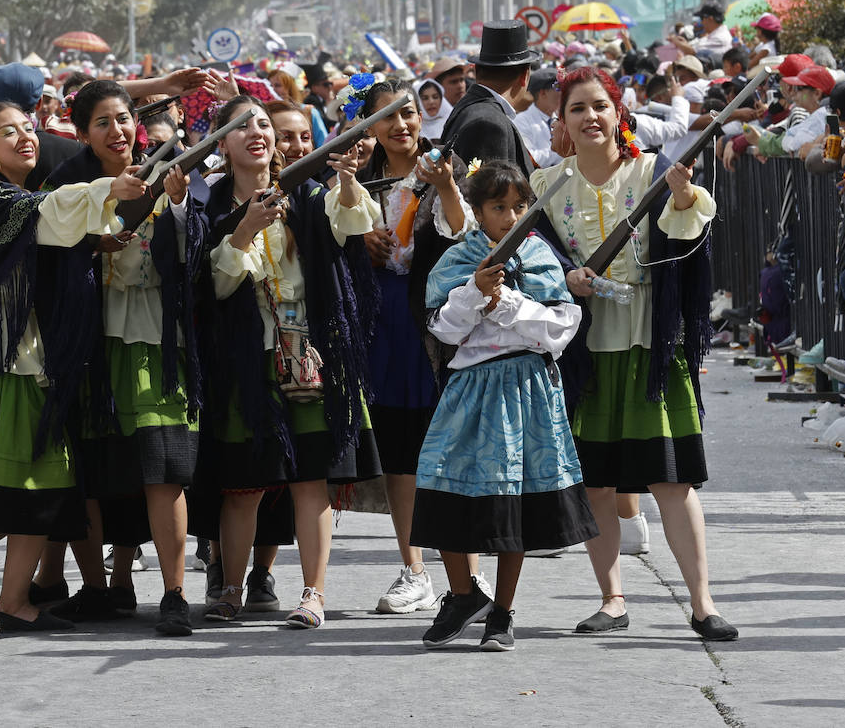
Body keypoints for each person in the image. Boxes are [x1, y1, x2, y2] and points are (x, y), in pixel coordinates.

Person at [0, 97, 147, 640]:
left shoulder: (20, 199)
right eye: (7, 133)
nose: (24, 138)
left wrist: (96, 241)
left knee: (22, 489)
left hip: (13, 359)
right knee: (33, 483)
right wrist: (109, 190)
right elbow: (44, 218)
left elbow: (50, 233)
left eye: (28, 129)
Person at [529, 66, 738, 643]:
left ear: (619, 112)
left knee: (672, 483)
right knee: (596, 484)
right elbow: (534, 262)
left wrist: (682, 195)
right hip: (585, 349)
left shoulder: (650, 171)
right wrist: (564, 279)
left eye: (600, 105)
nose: (590, 117)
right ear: (562, 121)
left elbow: (690, 225)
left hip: (650, 341)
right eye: (577, 109)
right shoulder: (547, 184)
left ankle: (702, 604)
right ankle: (612, 598)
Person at [198, 94, 381, 628]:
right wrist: (245, 229)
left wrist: (347, 179)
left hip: (310, 354)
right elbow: (215, 284)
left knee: (311, 481)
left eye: (262, 124)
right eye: (240, 126)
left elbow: (351, 226)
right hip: (244, 357)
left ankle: (313, 594)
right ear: (220, 143)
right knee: (243, 486)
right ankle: (231, 588)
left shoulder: (304, 191)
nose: (256, 132)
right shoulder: (210, 204)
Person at [412, 161, 596, 650]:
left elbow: (559, 330)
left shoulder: (540, 256)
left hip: (526, 390)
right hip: (470, 388)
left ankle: (504, 612)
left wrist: (511, 304)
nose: (510, 216)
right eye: (498, 207)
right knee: (441, 484)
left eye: (520, 207)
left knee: (513, 501)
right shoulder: (460, 258)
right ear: (475, 210)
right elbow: (443, 329)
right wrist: (475, 293)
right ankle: (462, 592)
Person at [45, 80, 205, 636]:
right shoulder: (66, 181)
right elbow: (43, 247)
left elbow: (197, 256)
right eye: (103, 123)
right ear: (82, 133)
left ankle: (175, 592)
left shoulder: (173, 171)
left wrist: (180, 208)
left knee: (164, 471)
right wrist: (90, 244)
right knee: (86, 470)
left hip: (152, 340)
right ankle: (97, 588)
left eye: (124, 119)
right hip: (86, 342)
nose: (118, 131)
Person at [354, 80, 472, 615]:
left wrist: (446, 184)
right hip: (383, 324)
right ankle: (414, 568)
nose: (401, 125)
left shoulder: (448, 167)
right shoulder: (355, 183)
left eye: (408, 113)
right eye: (387, 117)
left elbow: (465, 233)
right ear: (368, 127)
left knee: (446, 448)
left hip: (436, 326)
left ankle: (466, 570)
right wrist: (360, 244)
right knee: (400, 455)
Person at [440, 20, 541, 174]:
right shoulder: (488, 124)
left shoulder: (473, 109)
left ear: (477, 70)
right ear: (525, 75)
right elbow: (491, 195)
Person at [512, 68, 562, 167]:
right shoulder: (522, 121)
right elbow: (531, 158)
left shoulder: (562, 118)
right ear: (543, 93)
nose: (564, 92)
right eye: (558, 88)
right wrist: (563, 150)